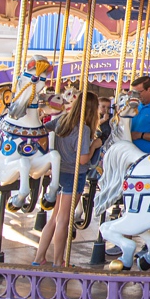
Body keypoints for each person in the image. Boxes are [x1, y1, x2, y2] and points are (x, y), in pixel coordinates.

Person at [32, 92, 98, 267]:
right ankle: (59, 261)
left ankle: (39, 258)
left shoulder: (62, 120)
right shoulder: (83, 128)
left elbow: (44, 129)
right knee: (63, 220)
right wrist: (94, 146)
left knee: (54, 218)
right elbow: (83, 159)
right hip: (73, 175)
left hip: (58, 173)